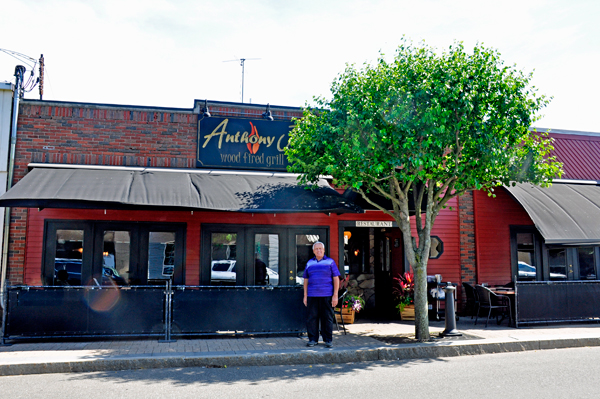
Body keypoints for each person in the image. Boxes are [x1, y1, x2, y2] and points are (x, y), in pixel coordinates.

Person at [303, 241, 340, 348]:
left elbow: (336, 279)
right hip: (312, 295)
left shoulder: (330, 262)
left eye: (320, 249)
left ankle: (328, 340)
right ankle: (313, 339)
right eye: (316, 249)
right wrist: (305, 295)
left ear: (324, 250)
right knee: (311, 318)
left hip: (327, 295)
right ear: (313, 251)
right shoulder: (309, 263)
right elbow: (306, 279)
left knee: (327, 318)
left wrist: (335, 295)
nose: (318, 250)